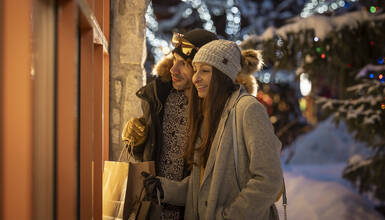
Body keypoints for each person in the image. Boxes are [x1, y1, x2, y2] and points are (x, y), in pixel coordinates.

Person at [144, 39, 283, 220]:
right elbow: (201, 187)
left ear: (223, 76)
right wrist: (163, 188)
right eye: (195, 70)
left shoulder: (248, 109)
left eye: (205, 71)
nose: (196, 78)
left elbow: (269, 179)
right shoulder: (210, 115)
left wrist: (230, 216)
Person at [122, 29, 218, 220]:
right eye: (174, 60)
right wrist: (137, 141)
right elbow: (146, 154)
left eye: (184, 64)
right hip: (155, 209)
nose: (174, 70)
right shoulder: (161, 96)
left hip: (195, 211)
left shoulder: (218, 110)